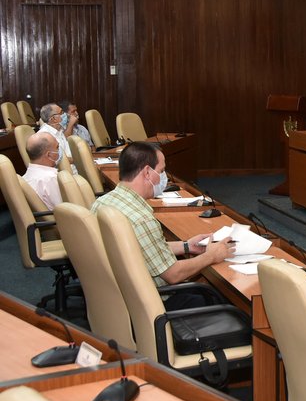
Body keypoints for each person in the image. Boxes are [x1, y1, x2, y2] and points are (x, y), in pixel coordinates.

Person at [91, 142, 235, 310]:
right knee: (221, 301)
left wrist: (186, 246)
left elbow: (139, 247)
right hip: (156, 303)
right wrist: (211, 256)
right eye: (161, 171)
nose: (163, 178)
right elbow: (173, 274)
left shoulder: (102, 202)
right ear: (147, 172)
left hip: (121, 299)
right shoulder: (142, 219)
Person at [22, 132, 63, 210]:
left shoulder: (25, 178)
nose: (59, 150)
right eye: (57, 147)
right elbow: (66, 208)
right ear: (49, 155)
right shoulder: (50, 178)